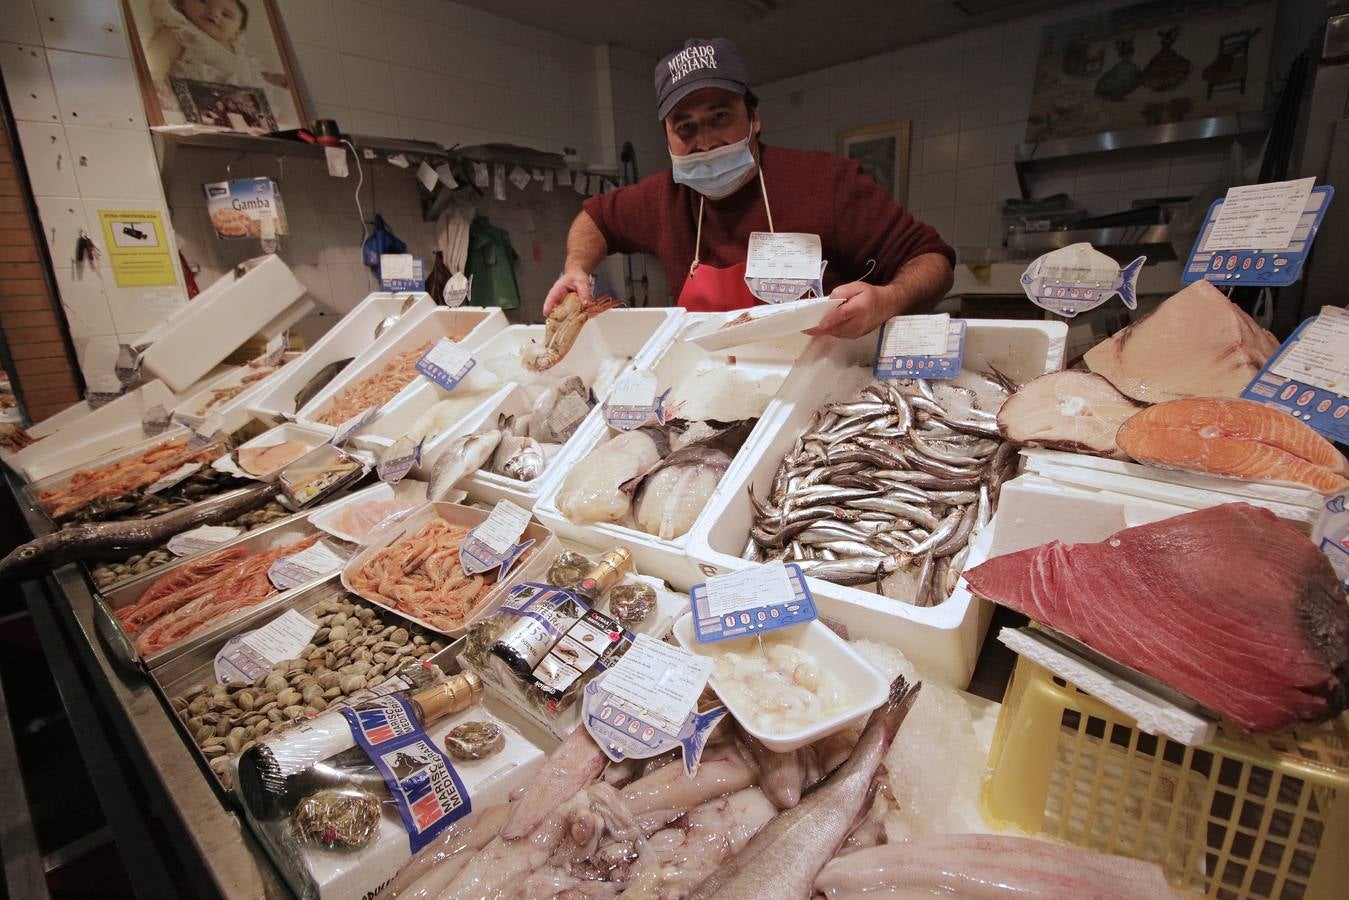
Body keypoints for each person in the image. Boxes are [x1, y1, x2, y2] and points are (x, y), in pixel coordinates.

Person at [544, 37, 955, 338]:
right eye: (685, 127)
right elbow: (594, 218)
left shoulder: (825, 182)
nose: (704, 142)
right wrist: (576, 268)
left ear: (753, 117)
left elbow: (932, 259)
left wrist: (888, 300)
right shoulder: (662, 198)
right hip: (711, 383)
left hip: (815, 382)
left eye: (720, 117)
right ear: (667, 135)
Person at [144, 0, 290, 91]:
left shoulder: (239, 50)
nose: (214, 13)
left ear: (237, 31)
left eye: (226, 15)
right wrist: (154, 80)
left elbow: (253, 74)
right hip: (196, 99)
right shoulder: (185, 31)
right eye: (203, 0)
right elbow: (161, 53)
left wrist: (273, 78)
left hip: (239, 109)